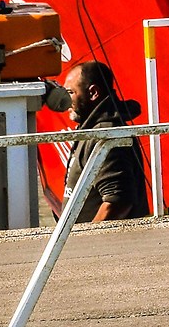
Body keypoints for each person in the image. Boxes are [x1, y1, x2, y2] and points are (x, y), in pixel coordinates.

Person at [62, 60, 147, 221]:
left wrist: (89, 240)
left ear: (94, 93)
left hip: (102, 244)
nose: (66, 101)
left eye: (71, 92)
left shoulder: (106, 135)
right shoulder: (91, 131)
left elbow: (117, 201)